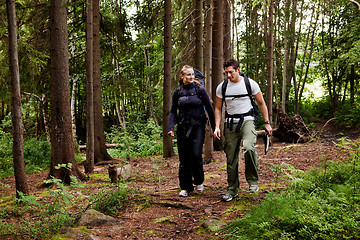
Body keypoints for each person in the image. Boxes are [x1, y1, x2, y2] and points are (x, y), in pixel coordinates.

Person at [213, 59, 273, 202]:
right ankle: (232, 189)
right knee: (231, 156)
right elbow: (218, 108)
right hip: (230, 124)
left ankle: (253, 182)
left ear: (238, 70)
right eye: (226, 72)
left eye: (231, 72)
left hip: (247, 121)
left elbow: (261, 103)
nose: (228, 75)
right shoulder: (222, 87)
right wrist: (217, 126)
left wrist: (267, 123)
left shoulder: (250, 84)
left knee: (248, 147)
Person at [168, 65, 215, 197]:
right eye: (188, 75)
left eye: (193, 74)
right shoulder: (177, 92)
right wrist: (170, 128)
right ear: (182, 76)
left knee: (195, 155)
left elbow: (209, 109)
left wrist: (215, 127)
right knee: (184, 159)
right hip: (182, 128)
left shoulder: (200, 90)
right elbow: (172, 111)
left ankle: (199, 181)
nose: (191, 77)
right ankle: (186, 187)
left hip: (197, 127)